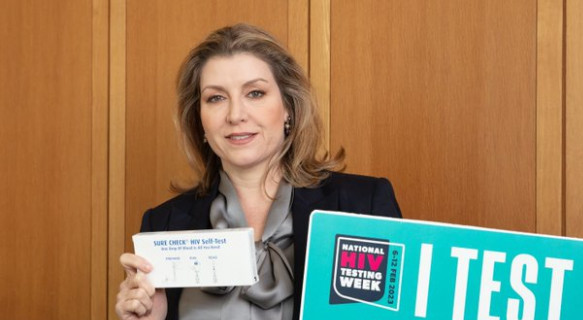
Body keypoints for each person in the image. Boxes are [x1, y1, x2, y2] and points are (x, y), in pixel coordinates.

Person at [115, 23, 401, 320]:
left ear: (288, 107)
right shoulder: (163, 224)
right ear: (199, 120)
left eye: (255, 93)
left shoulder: (362, 206)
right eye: (216, 98)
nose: (236, 115)